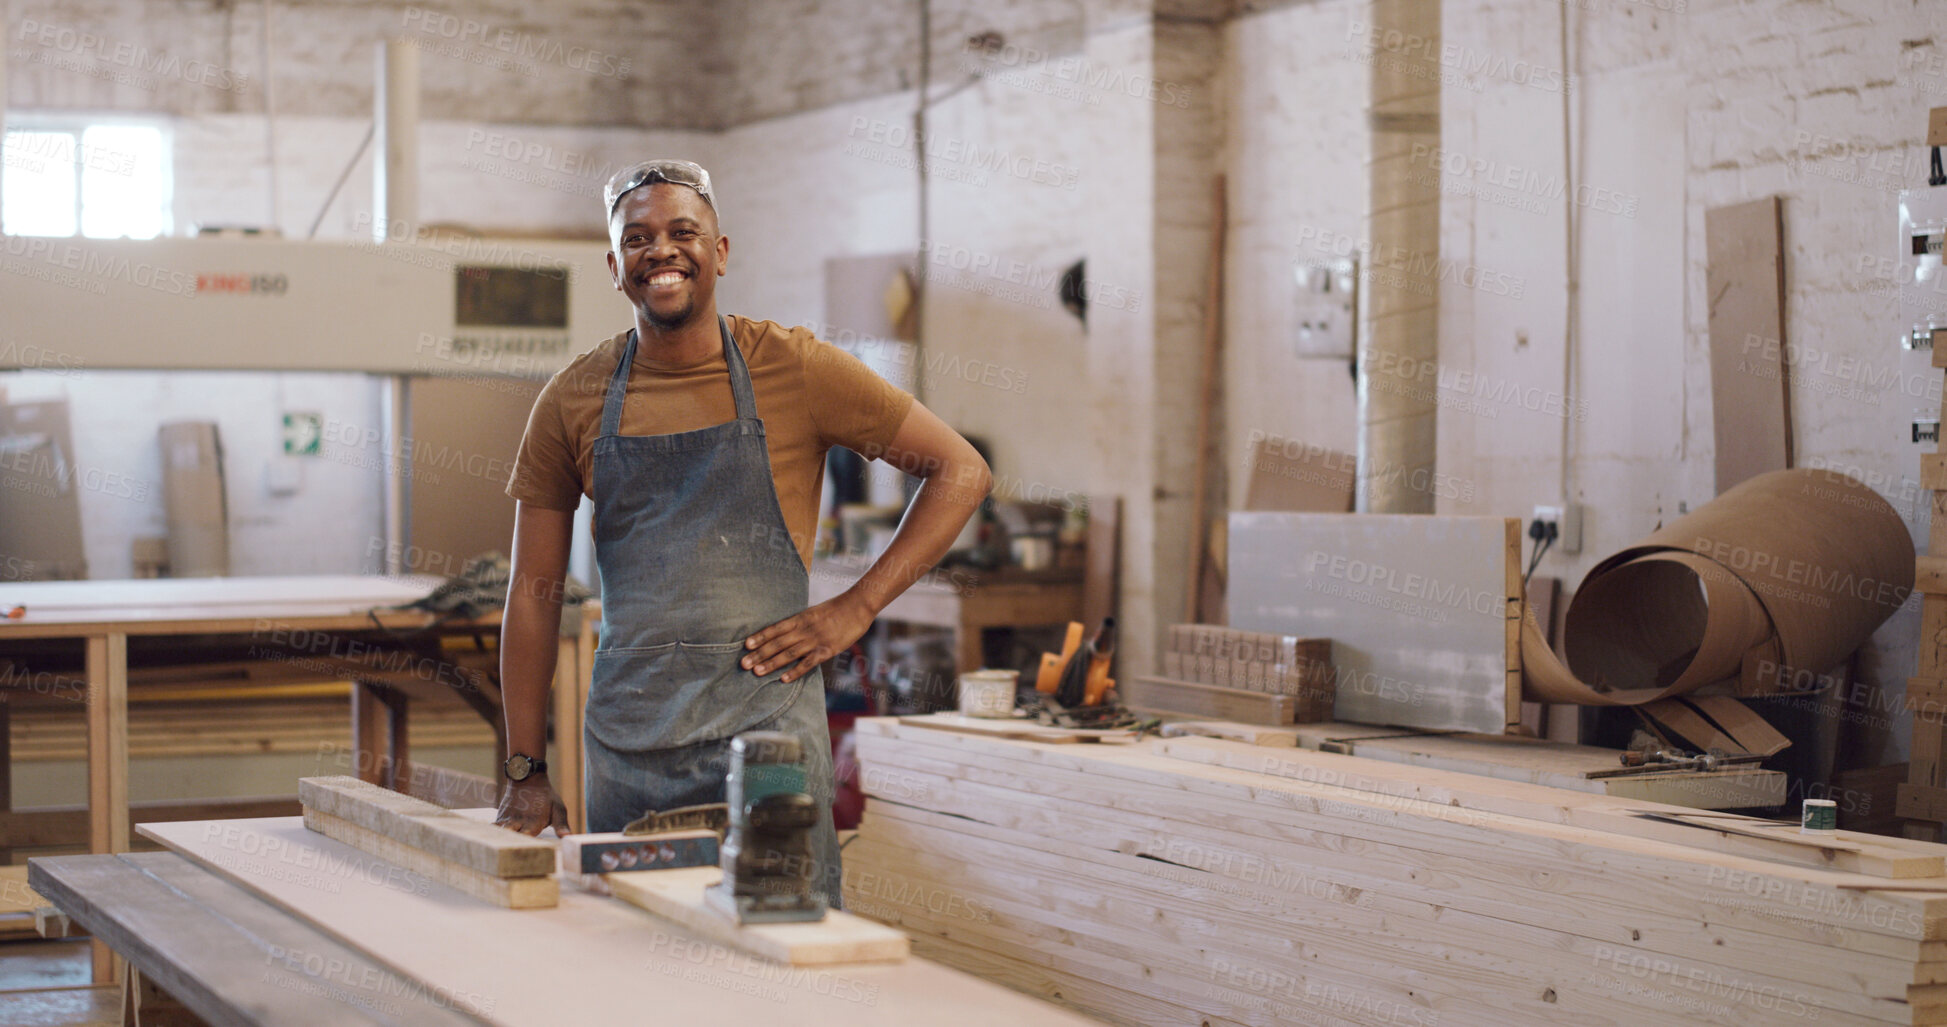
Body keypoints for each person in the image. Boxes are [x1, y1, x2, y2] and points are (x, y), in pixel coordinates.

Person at [492, 158, 990, 907]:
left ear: (718, 252)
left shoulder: (795, 367)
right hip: (630, 749)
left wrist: (855, 606)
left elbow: (961, 470)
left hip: (770, 743)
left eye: (682, 232)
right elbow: (531, 598)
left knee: (787, 955)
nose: (660, 250)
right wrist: (526, 771)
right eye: (637, 238)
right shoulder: (573, 399)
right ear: (614, 265)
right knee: (637, 964)